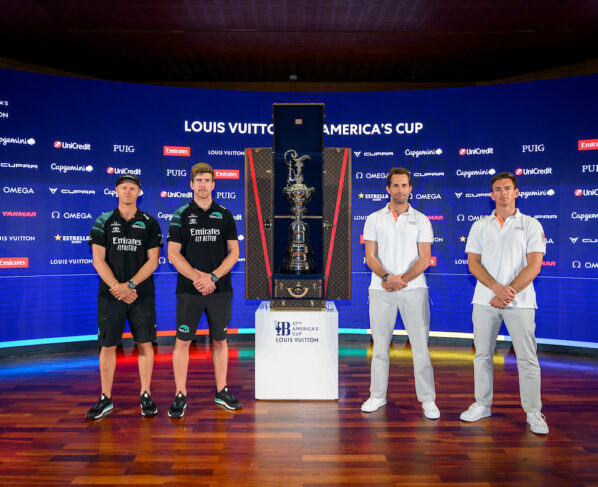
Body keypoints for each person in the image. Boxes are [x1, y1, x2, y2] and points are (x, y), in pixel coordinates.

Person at [460, 172, 548, 435]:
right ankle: (482, 404)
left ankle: (533, 412)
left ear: (516, 192)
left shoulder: (531, 224)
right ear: (492, 195)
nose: (503, 193)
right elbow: (473, 263)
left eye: (508, 188)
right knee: (482, 356)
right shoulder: (480, 226)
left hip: (520, 302)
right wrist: (496, 289)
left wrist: (507, 292)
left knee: (527, 358)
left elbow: (534, 265)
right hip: (484, 300)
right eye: (498, 189)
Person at [361, 167, 440, 419]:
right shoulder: (374, 218)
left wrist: (400, 280)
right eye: (395, 185)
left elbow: (424, 259)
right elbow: (370, 256)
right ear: (388, 189)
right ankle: (377, 395)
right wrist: (387, 278)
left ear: (410, 189)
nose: (400, 190)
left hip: (414, 290)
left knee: (420, 348)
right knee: (379, 347)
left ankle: (428, 400)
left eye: (404, 185)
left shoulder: (422, 220)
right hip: (380, 289)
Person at [166, 162, 241, 417]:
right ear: (191, 184)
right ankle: (180, 394)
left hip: (220, 289)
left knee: (220, 340)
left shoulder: (225, 214)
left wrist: (213, 278)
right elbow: (173, 254)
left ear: (213, 185)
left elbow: (234, 253)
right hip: (189, 290)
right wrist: (199, 279)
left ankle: (222, 391)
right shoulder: (180, 214)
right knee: (182, 341)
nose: (202, 184)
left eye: (207, 180)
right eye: (198, 180)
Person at [86, 173, 163, 419]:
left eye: (132, 188)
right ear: (116, 191)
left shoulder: (150, 222)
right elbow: (98, 260)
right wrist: (118, 288)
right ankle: (105, 398)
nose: (128, 191)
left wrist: (129, 285)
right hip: (111, 295)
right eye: (123, 187)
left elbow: (153, 261)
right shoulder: (103, 221)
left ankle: (146, 394)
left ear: (139, 192)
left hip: (142, 295)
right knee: (107, 345)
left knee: (145, 344)